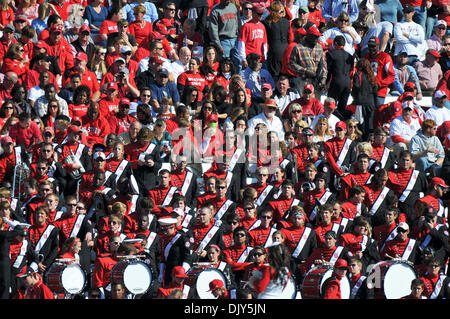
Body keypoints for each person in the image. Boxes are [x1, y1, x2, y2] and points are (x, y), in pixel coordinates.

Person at [288, 25, 327, 97]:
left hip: (317, 81)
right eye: (314, 36)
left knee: (315, 103)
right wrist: (305, 71)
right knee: (304, 102)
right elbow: (291, 64)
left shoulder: (319, 47)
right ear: (308, 36)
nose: (316, 39)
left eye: (317, 37)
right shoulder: (298, 47)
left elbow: (324, 65)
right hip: (303, 80)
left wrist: (323, 79)